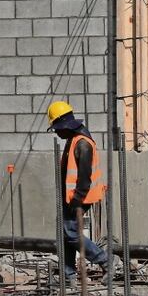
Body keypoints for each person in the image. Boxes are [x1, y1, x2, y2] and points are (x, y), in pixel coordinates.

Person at [47, 100, 112, 280]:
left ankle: (105, 261)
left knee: (71, 234)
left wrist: (76, 200)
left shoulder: (82, 144)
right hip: (71, 198)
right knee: (66, 235)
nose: (57, 132)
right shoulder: (73, 139)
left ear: (65, 126)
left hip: (79, 198)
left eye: (57, 128)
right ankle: (69, 276)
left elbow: (84, 177)